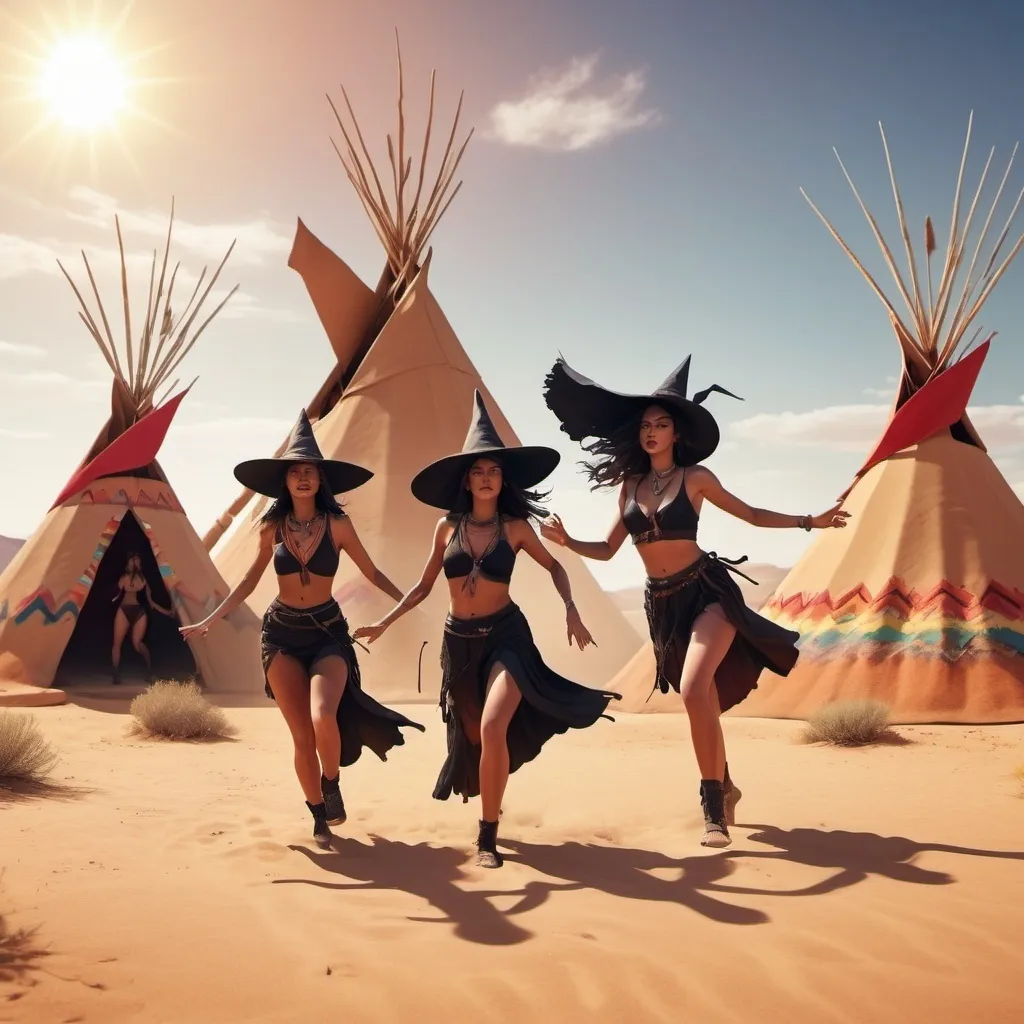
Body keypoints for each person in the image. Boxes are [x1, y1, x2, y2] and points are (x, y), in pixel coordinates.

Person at [540, 356, 850, 848]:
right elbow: (606, 549)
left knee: (693, 689)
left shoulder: (696, 478)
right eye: (645, 425)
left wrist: (810, 520)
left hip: (706, 592)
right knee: (699, 698)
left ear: (677, 433)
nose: (651, 432)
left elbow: (750, 514)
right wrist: (567, 541)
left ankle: (712, 811)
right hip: (663, 607)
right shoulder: (630, 486)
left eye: (661, 424)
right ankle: (726, 785)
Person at [353, 391, 619, 869]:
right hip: (459, 645)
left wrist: (571, 608)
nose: (486, 478)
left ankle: (487, 836)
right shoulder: (445, 528)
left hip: (506, 637)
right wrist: (385, 622)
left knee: (494, 725)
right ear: (466, 479)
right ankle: (492, 795)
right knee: (475, 735)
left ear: (503, 478)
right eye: (477, 471)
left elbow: (556, 568)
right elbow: (422, 585)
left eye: (493, 470)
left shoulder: (516, 527)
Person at [179, 410, 424, 850]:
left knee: (322, 715)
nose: (303, 478)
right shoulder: (271, 528)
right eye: (295, 472)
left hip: (328, 634)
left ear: (320, 480)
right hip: (280, 637)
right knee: (301, 736)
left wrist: (406, 602)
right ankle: (317, 817)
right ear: (285, 483)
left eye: (310, 471)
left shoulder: (338, 525)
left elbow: (370, 571)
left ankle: (331, 783)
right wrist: (211, 619)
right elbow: (251, 579)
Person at [111, 551, 174, 685]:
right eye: (132, 560)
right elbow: (115, 595)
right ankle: (115, 673)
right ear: (128, 563)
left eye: (137, 560)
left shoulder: (143, 580)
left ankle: (150, 670)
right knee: (117, 643)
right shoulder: (123, 578)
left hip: (139, 611)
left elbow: (151, 602)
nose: (135, 562)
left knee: (137, 643)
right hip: (123, 610)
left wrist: (166, 612)